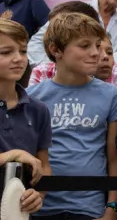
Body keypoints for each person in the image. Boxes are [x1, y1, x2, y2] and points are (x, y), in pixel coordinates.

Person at [28, 13, 117, 220]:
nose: (96, 53)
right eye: (85, 46)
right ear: (56, 50)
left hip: (88, 208)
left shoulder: (111, 96)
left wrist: (112, 208)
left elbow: (114, 158)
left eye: (98, 45)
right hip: (37, 208)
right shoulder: (32, 98)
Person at [0, 19, 49, 216]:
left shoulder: (38, 109)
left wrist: (39, 195)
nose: (19, 58)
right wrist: (11, 156)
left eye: (22, 51)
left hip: (17, 212)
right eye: (5, 52)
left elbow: (43, 165)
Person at [30, 37, 117, 105]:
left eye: (110, 52)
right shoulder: (37, 86)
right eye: (85, 47)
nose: (103, 56)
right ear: (57, 51)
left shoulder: (113, 93)